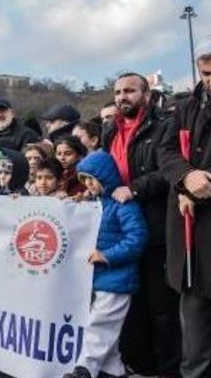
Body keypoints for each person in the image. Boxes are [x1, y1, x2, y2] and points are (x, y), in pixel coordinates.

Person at [158, 34, 211, 378]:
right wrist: (185, 178)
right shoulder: (186, 106)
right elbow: (165, 152)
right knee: (194, 321)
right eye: (206, 73)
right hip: (189, 226)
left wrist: (201, 183)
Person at [102, 72, 180, 376]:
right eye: (119, 91)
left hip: (156, 227)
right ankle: (139, 364)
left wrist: (135, 189)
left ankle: (168, 369)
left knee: (162, 307)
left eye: (130, 91)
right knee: (131, 305)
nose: (123, 96)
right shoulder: (110, 130)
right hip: (121, 231)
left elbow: (169, 171)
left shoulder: (164, 127)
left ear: (147, 95)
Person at [63, 151, 148, 378]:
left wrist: (107, 255)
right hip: (100, 278)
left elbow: (137, 239)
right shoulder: (94, 204)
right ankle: (114, 370)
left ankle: (85, 369)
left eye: (92, 179)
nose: (88, 184)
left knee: (100, 325)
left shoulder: (123, 205)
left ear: (105, 177)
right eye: (84, 180)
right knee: (106, 327)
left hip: (118, 278)